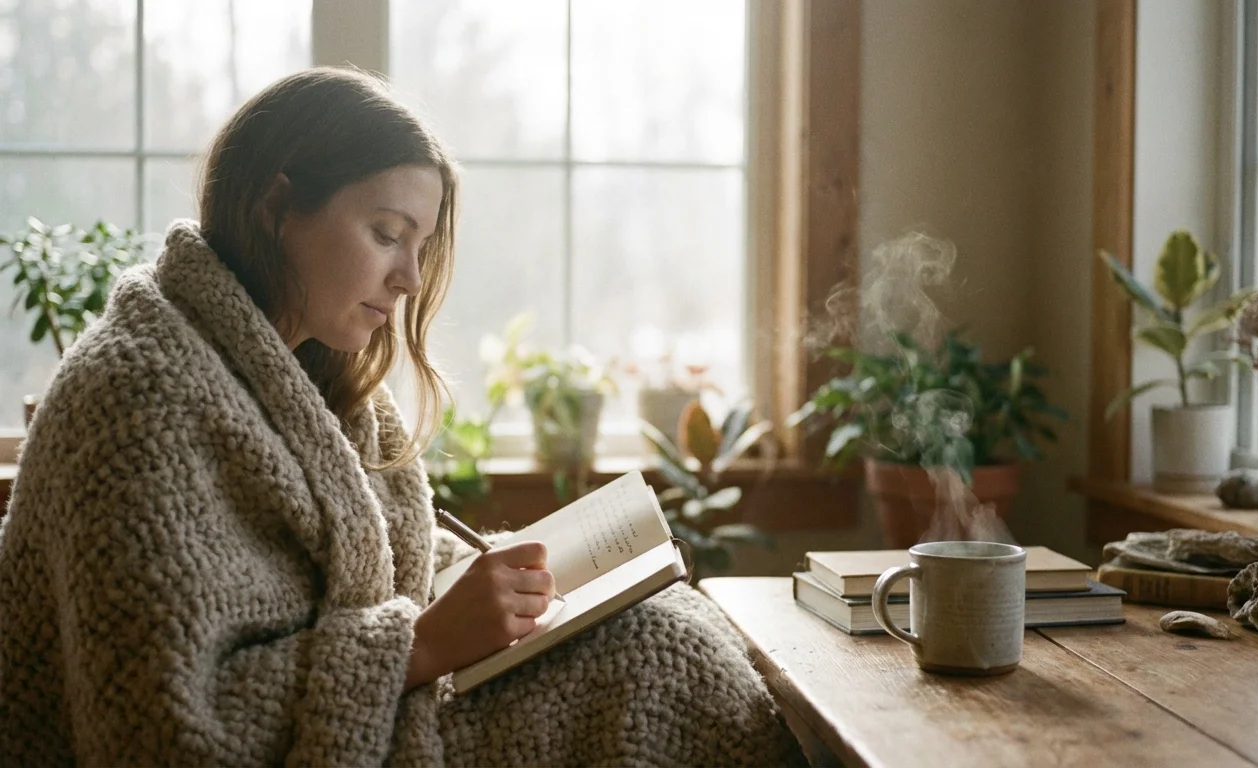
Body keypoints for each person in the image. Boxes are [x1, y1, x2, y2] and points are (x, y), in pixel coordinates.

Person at [0, 67, 800, 766]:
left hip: (378, 710)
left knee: (671, 627)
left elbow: (368, 571)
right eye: (387, 234)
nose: (410, 278)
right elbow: (162, 734)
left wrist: (493, 588)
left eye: (420, 245)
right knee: (663, 667)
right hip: (362, 727)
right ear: (280, 205)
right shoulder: (133, 396)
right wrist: (422, 645)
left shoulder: (313, 373)